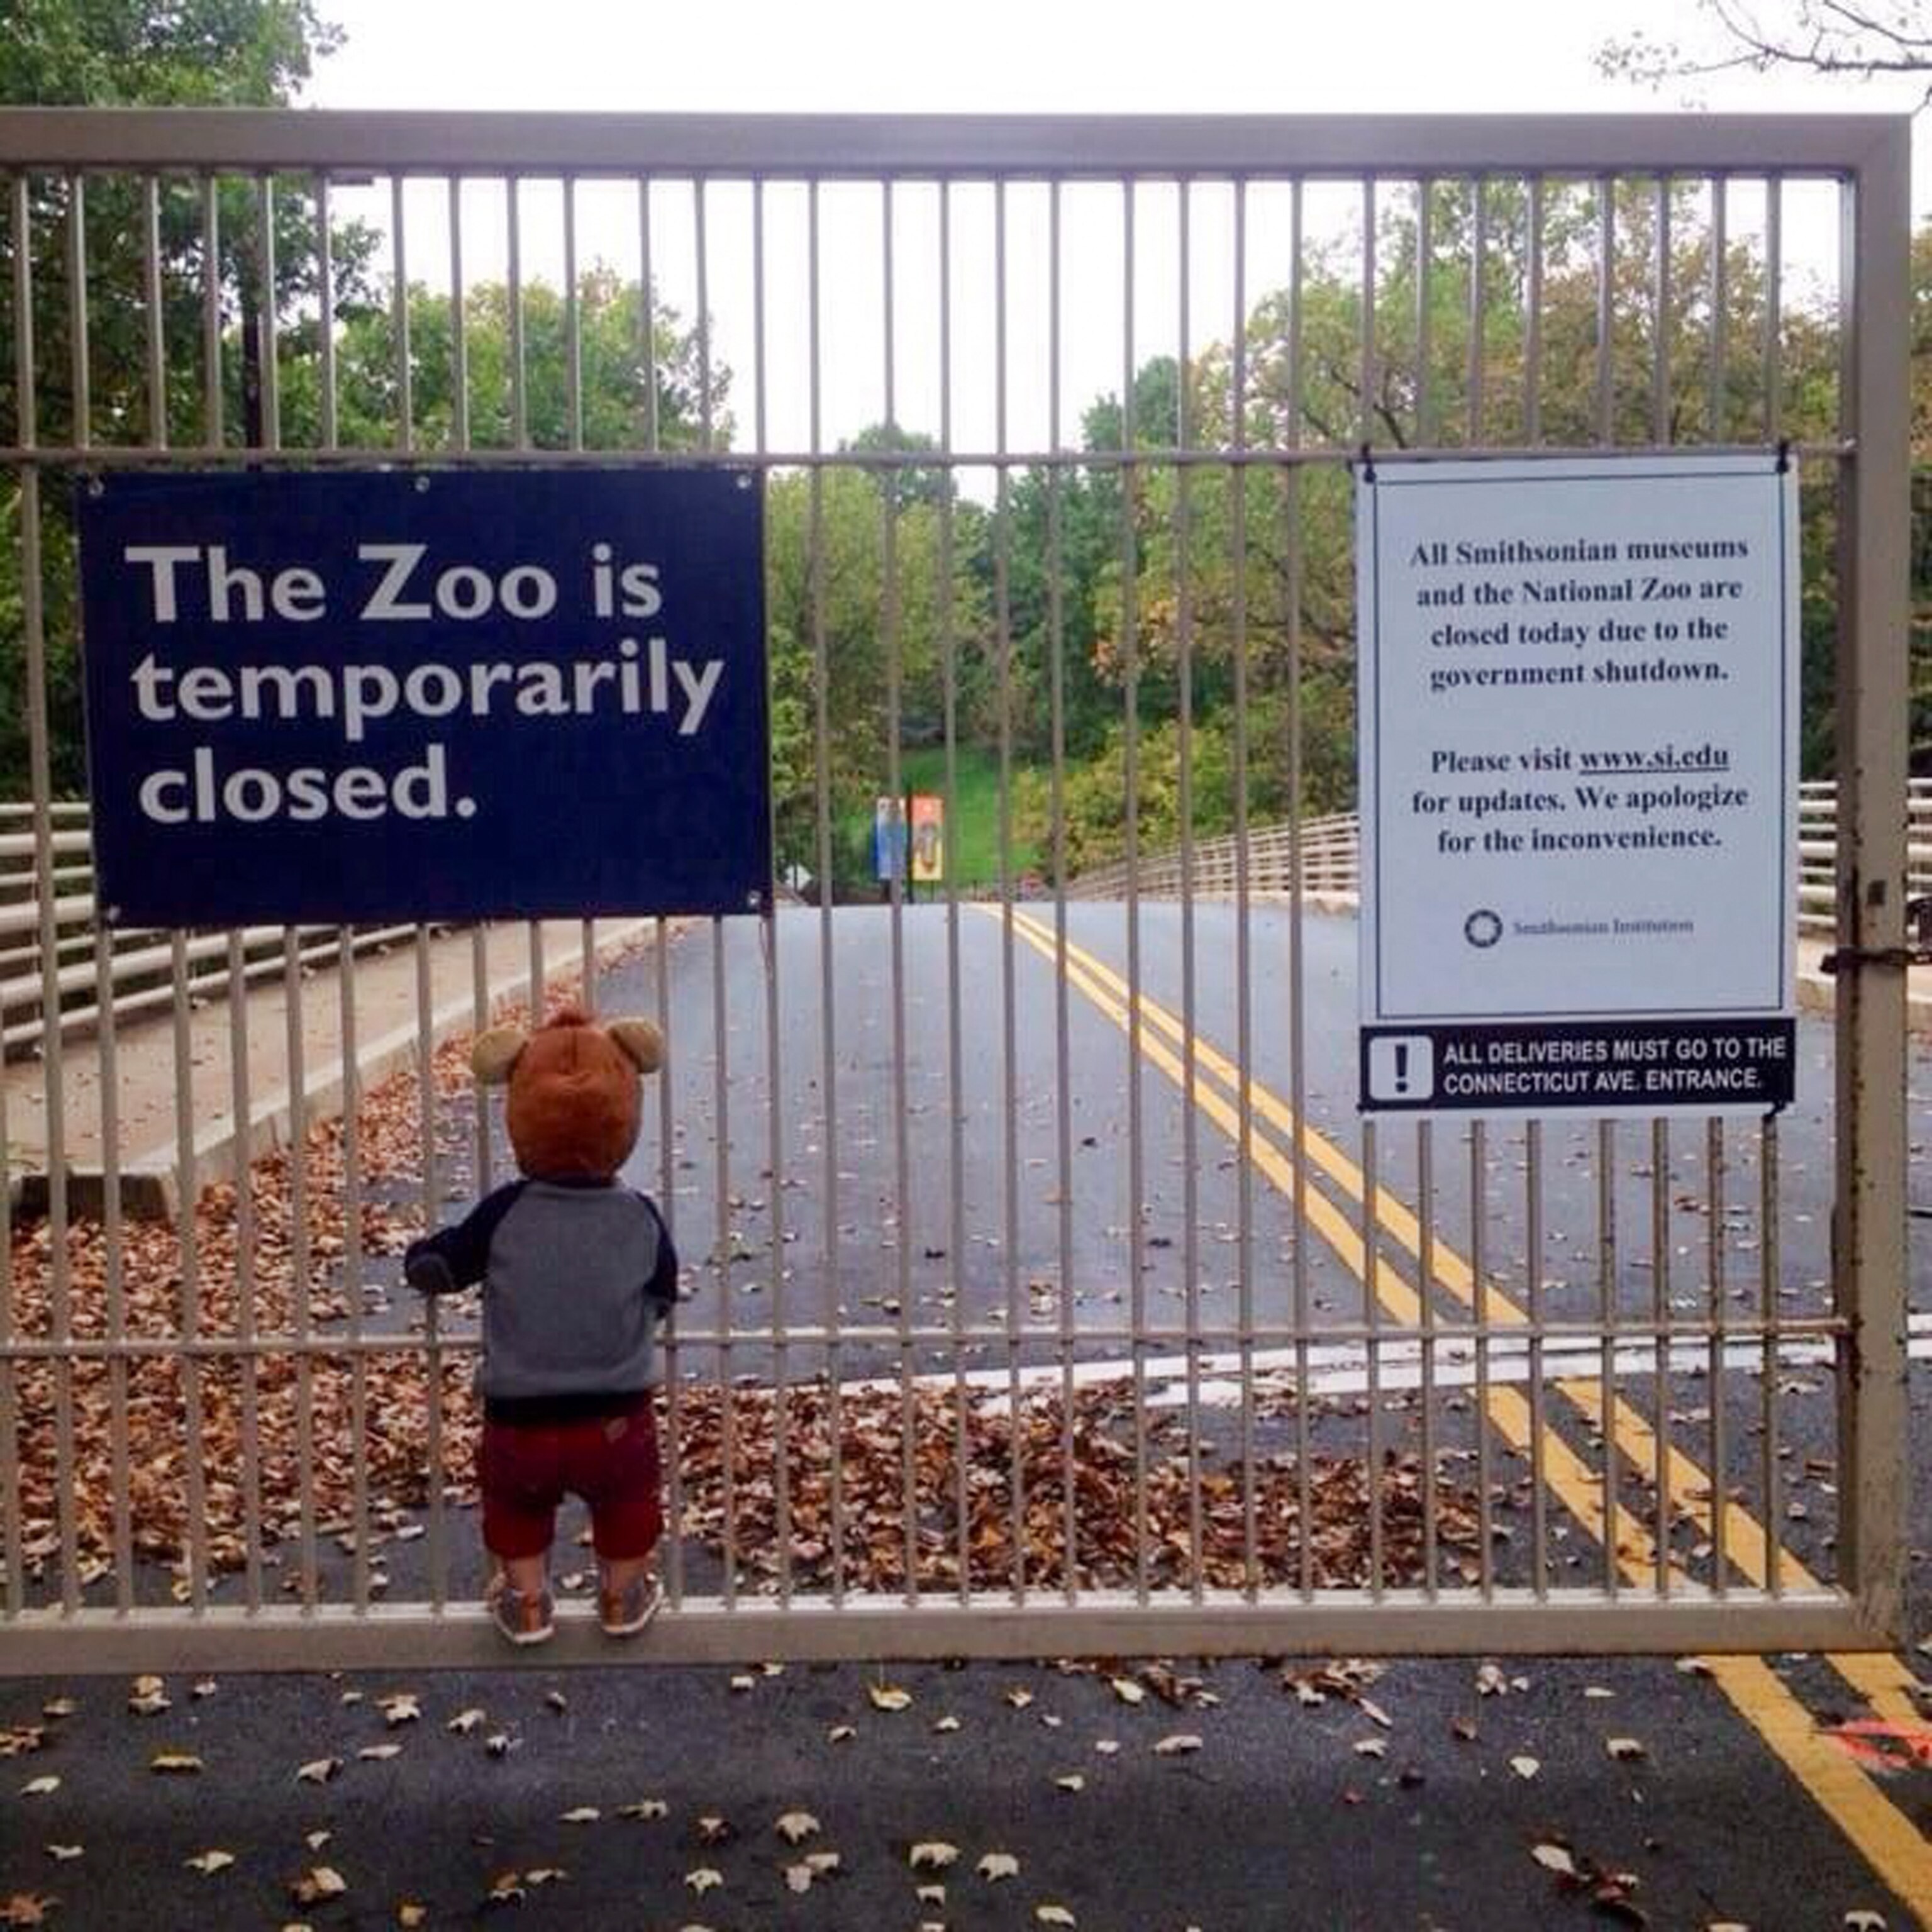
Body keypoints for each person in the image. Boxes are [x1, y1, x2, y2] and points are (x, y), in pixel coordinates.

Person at [404, 1008, 675, 1646]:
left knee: (517, 1508)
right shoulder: (639, 1214)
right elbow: (662, 1289)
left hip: (519, 1416)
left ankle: (527, 1602)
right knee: (628, 1503)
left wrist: (419, 1262)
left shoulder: (506, 1212)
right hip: (616, 1413)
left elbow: (444, 1264)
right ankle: (622, 1594)